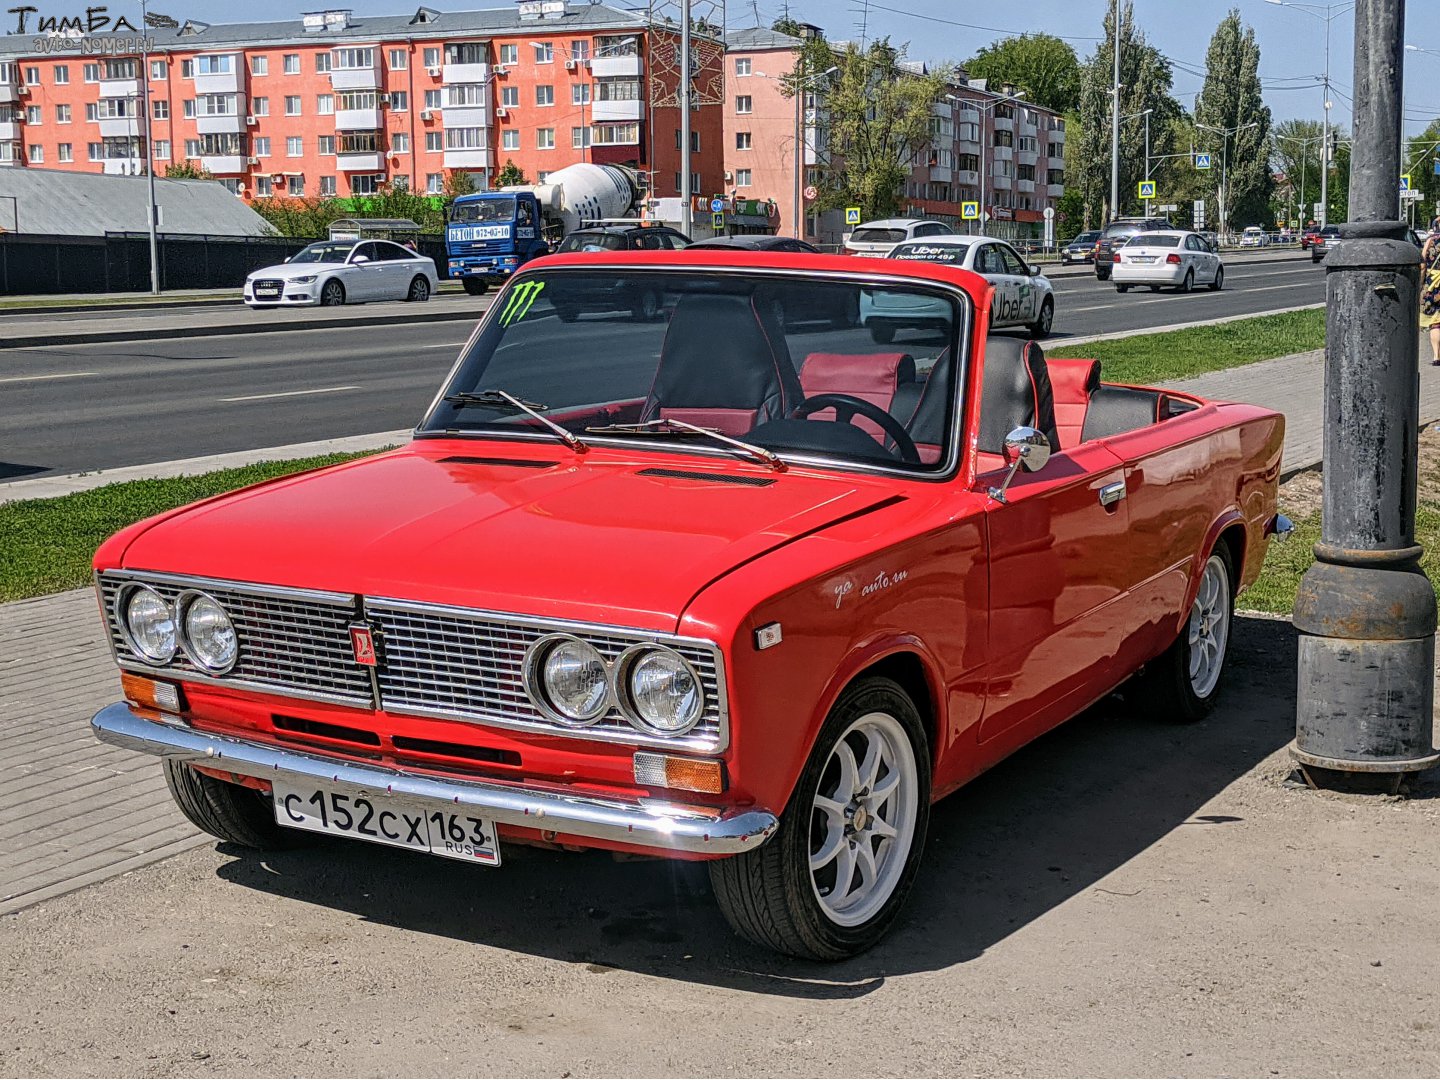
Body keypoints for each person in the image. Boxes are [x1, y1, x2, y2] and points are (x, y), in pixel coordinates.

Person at [1422, 233, 1440, 367]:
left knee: (1435, 323)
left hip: (1433, 284)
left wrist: (1421, 283)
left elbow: (1422, 265)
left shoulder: (1430, 240)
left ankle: (1436, 355)